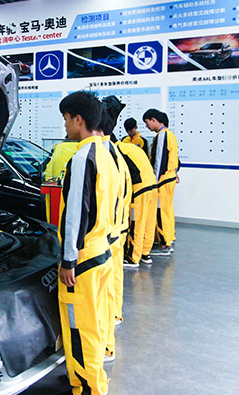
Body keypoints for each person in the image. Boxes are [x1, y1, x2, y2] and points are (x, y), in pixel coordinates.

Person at [57, 91, 117, 395]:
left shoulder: (82, 158)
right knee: (95, 324)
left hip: (82, 260)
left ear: (79, 119)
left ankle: (86, 391)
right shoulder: (107, 153)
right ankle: (94, 382)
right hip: (103, 251)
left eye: (66, 119)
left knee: (80, 328)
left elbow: (75, 214)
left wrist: (68, 260)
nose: (65, 125)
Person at [96, 98, 132, 360]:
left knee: (103, 290)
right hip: (118, 230)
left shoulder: (101, 154)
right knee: (113, 281)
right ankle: (114, 318)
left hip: (107, 235)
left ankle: (106, 343)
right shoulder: (116, 152)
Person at [143, 109, 179, 255]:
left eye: (147, 123)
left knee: (160, 211)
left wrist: (154, 182)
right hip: (169, 178)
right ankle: (169, 238)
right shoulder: (170, 135)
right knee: (167, 209)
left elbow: (159, 160)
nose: (147, 126)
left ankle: (164, 244)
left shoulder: (163, 135)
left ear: (154, 120)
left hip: (162, 180)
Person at [116, 141, 158, 267]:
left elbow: (125, 173)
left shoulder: (117, 150)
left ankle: (133, 258)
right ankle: (145, 253)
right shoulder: (130, 147)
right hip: (152, 187)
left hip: (139, 190)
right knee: (148, 223)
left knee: (136, 224)